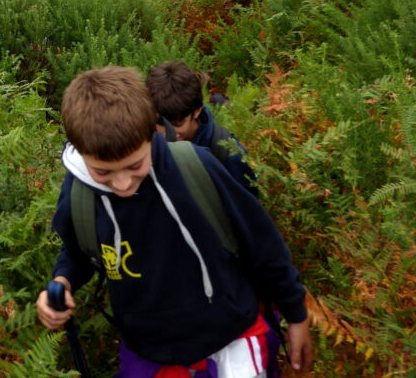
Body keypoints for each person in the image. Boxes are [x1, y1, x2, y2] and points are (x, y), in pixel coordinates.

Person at [36, 66, 312, 377]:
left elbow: (263, 245)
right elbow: (76, 253)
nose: (123, 184)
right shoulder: (79, 192)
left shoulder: (195, 167)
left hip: (232, 334)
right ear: (81, 154)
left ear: (152, 133)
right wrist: (62, 282)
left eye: (134, 165)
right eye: (103, 172)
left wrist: (296, 315)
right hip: (149, 349)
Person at [146, 61, 257, 196]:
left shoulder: (227, 153)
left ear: (197, 111)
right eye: (161, 122)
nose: (168, 133)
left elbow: (246, 205)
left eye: (178, 123)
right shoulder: (144, 143)